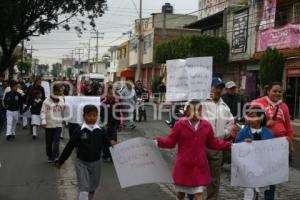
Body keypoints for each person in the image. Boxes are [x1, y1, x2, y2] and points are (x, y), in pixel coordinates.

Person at [156, 100, 231, 200]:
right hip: (184, 167)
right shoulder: (179, 125)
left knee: (198, 194)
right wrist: (158, 142)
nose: (197, 113)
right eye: (193, 110)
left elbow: (213, 143)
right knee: (181, 194)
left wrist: (229, 145)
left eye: (199, 110)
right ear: (187, 111)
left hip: (198, 168)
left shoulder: (206, 126)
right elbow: (170, 142)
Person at [55, 105, 117, 200]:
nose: (92, 118)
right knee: (84, 188)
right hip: (81, 163)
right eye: (89, 115)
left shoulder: (101, 131)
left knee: (92, 187)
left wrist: (112, 143)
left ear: (97, 116)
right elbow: (69, 146)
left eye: (95, 115)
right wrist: (60, 161)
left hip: (96, 163)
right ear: (84, 116)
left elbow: (108, 145)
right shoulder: (79, 131)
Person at [252, 82, 295, 200]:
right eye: (274, 91)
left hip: (278, 147)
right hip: (260, 144)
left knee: (272, 177)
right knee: (257, 175)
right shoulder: (258, 103)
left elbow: (288, 127)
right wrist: (265, 124)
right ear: (268, 91)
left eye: (280, 91)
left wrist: (290, 144)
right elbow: (250, 121)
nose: (277, 93)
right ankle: (253, 197)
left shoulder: (284, 107)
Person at [200, 77, 234, 200]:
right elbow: (189, 114)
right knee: (196, 175)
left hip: (216, 145)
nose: (219, 90)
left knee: (214, 179)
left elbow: (231, 122)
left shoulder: (224, 106)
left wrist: (224, 133)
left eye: (221, 88)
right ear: (210, 87)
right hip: (200, 145)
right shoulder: (201, 102)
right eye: (216, 87)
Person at [235, 106, 274, 200]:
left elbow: (273, 149)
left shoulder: (268, 133)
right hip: (250, 167)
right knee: (251, 191)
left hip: (265, 167)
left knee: (269, 189)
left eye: (252, 116)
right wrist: (244, 143)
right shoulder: (243, 132)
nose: (249, 119)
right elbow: (236, 146)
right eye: (248, 116)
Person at [41, 85, 64, 163]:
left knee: (56, 141)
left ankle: (56, 156)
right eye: (55, 93)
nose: (57, 95)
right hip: (49, 124)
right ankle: (50, 156)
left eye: (58, 93)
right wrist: (43, 121)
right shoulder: (46, 101)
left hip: (58, 124)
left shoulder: (61, 100)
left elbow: (63, 111)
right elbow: (43, 112)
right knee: (49, 142)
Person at [100, 84, 121, 162]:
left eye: (112, 93)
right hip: (105, 125)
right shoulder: (103, 103)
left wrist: (119, 124)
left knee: (114, 140)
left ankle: (113, 157)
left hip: (114, 125)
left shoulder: (116, 103)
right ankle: (105, 155)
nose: (110, 95)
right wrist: (103, 123)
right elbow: (101, 114)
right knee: (105, 141)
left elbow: (118, 114)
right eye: (109, 93)